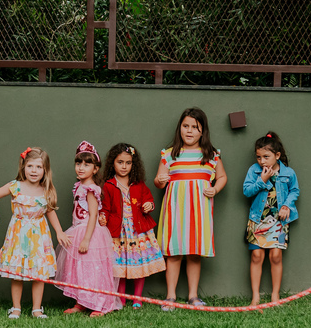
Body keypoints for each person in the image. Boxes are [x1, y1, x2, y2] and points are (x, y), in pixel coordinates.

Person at [154, 107, 227, 309]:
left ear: (202, 131)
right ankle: (170, 297)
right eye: (185, 126)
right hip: (175, 210)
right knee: (174, 253)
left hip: (199, 211)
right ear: (180, 128)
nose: (189, 131)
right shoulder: (169, 154)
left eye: (195, 127)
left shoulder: (211, 155)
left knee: (194, 254)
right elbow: (159, 181)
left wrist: (215, 188)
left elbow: (222, 177)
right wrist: (160, 180)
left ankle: (193, 296)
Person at [0, 147, 70, 318]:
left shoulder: (46, 190)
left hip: (39, 235)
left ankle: (37, 309)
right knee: (17, 274)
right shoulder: (14, 186)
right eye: (30, 166)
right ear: (23, 166)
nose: (34, 171)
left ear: (45, 170)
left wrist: (59, 231)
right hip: (18, 234)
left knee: (39, 273)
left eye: (39, 167)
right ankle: (16, 308)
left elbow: (50, 211)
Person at [56, 141, 120, 317]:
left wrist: (86, 238)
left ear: (96, 168)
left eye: (87, 164)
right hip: (78, 230)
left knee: (94, 269)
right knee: (80, 269)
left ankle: (100, 304)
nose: (81, 167)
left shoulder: (91, 189)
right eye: (78, 163)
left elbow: (93, 215)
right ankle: (82, 302)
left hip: (89, 233)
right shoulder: (79, 186)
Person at [98, 143, 165, 308]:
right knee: (120, 266)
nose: (124, 166)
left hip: (137, 230)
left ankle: (137, 298)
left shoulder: (138, 184)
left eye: (128, 163)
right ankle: (121, 297)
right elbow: (105, 207)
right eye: (120, 162)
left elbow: (148, 199)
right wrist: (103, 216)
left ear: (133, 165)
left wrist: (149, 205)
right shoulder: (108, 185)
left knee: (138, 264)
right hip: (118, 231)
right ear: (112, 163)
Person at [242, 131, 299, 306]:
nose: (262, 161)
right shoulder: (254, 170)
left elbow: (294, 191)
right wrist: (262, 179)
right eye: (258, 157)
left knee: (275, 256)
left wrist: (286, 206)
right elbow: (247, 191)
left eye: (266, 156)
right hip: (258, 219)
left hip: (278, 222)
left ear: (277, 155)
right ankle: (255, 298)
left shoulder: (288, 173)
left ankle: (275, 296)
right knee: (256, 256)